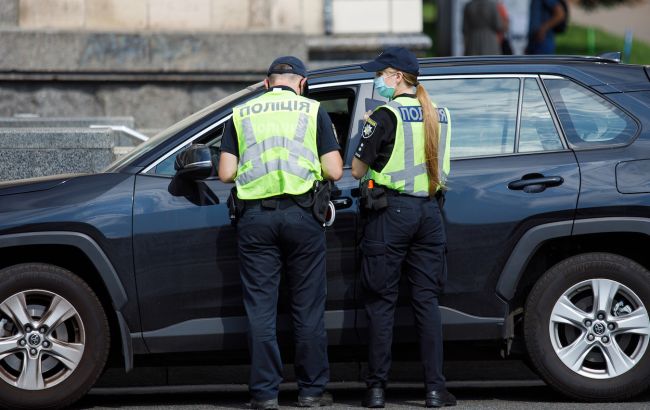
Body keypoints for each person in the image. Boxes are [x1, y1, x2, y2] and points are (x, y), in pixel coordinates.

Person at [219, 56, 343, 410]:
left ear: (266, 82)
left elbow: (226, 173)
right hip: (302, 217)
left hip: (255, 219)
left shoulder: (241, 114)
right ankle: (312, 391)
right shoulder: (312, 110)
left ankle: (264, 394)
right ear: (301, 83)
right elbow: (334, 170)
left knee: (260, 309)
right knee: (307, 308)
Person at [351, 47, 454, 408]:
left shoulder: (383, 115)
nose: (376, 80)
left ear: (396, 77)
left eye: (380, 74)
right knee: (427, 303)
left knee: (382, 304)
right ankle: (435, 391)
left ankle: (377, 390)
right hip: (429, 214)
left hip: (391, 215)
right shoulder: (440, 114)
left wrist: (367, 129)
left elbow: (358, 171)